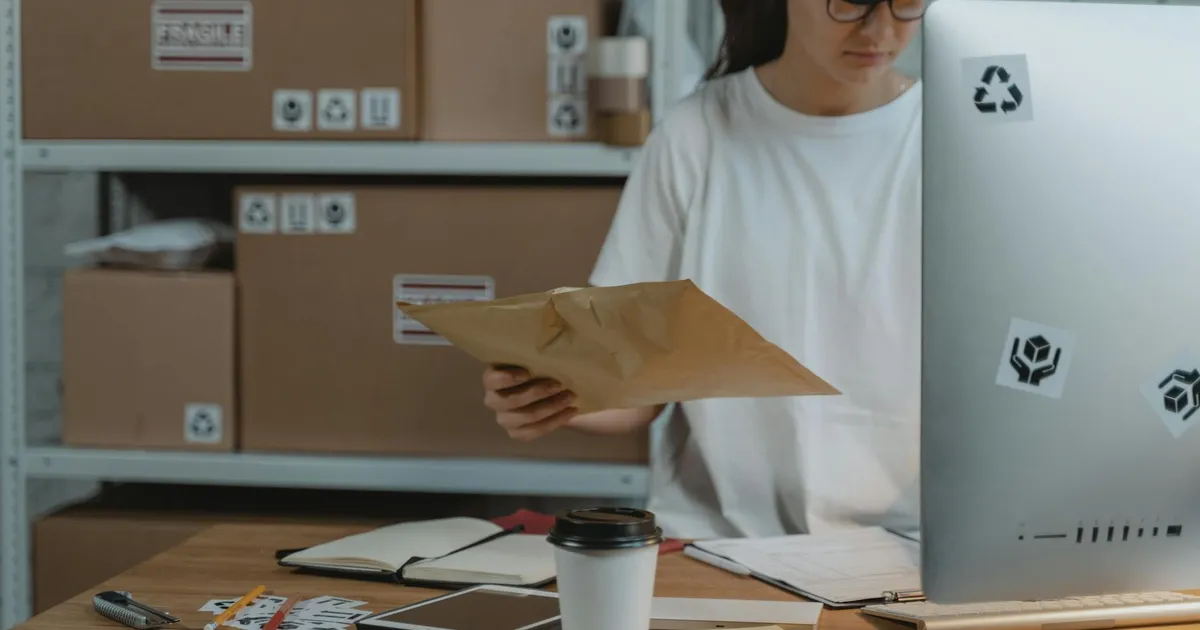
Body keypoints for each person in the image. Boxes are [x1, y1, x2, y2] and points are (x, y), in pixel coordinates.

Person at [482, 0, 925, 539]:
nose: (881, 29)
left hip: (912, 549)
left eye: (908, 0)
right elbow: (632, 379)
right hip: (722, 544)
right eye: (851, 0)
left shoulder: (952, 139)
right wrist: (546, 393)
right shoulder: (697, 134)